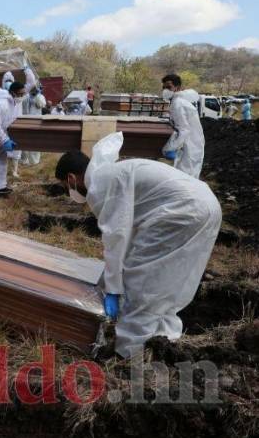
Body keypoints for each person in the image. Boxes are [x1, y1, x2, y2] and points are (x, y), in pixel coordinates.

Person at [54, 133, 221, 358]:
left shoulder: (100, 186)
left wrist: (113, 289)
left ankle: (129, 354)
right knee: (171, 281)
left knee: (141, 286)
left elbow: (116, 239)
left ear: (72, 178)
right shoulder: (112, 173)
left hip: (181, 211)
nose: (69, 191)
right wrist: (111, 278)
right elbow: (130, 234)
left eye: (66, 186)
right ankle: (163, 341)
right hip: (206, 204)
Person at [0, 66, 36, 178]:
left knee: (15, 149)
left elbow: (31, 83)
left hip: (15, 124)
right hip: (1, 126)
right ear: (3, 82)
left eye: (10, 80)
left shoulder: (19, 91)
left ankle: (14, 170)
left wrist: (26, 69)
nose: (8, 83)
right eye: (6, 81)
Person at [161, 74, 205, 178]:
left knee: (185, 177)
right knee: (187, 176)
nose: (165, 90)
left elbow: (184, 130)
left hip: (190, 145)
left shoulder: (178, 103)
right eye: (164, 87)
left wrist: (170, 147)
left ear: (177, 88)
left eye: (169, 87)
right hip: (193, 143)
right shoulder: (179, 101)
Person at [20, 85, 46, 166]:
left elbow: (42, 105)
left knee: (35, 140)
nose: (33, 90)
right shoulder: (26, 96)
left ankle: (34, 161)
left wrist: (37, 96)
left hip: (36, 121)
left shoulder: (40, 96)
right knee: (25, 141)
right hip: (25, 121)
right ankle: (24, 160)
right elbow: (21, 104)